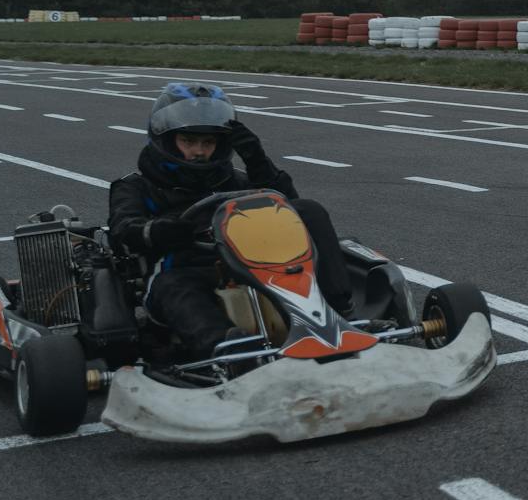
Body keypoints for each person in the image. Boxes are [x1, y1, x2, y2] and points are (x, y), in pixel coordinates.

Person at [108, 83, 350, 361]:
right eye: (189, 142)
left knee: (308, 211)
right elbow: (123, 230)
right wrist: (161, 231)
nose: (199, 151)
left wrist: (258, 161)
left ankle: (340, 316)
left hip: (253, 267)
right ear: (166, 139)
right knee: (176, 288)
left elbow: (287, 208)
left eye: (207, 143)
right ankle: (230, 350)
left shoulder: (232, 179)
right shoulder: (136, 187)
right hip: (184, 270)